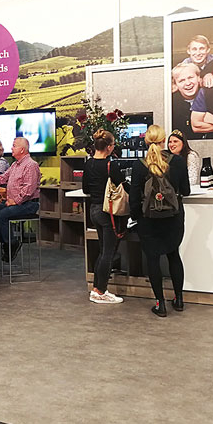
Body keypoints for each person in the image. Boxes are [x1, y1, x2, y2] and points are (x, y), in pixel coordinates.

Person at [129, 125, 191, 318]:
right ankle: (179, 300)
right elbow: (186, 191)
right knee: (174, 255)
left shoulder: (139, 165)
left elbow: (133, 198)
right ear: (164, 141)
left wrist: (136, 218)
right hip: (173, 219)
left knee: (153, 259)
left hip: (148, 220)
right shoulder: (178, 161)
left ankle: (160, 304)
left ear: (146, 141)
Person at [82, 130, 125, 304]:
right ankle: (101, 290)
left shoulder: (88, 164)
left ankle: (96, 289)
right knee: (109, 252)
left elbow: (85, 189)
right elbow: (122, 185)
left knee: (103, 250)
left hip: (94, 210)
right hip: (108, 212)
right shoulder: (110, 166)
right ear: (108, 147)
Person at [0, 137, 41, 262]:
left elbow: (28, 190)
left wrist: (15, 201)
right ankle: (5, 241)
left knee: (1, 215)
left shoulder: (31, 165)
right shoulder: (15, 164)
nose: (11, 148)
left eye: (14, 146)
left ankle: (11, 243)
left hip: (28, 204)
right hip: (14, 202)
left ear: (22, 149)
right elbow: (3, 178)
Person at [171, 63, 202, 139]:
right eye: (181, 81)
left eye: (190, 78)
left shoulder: (210, 97)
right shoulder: (171, 105)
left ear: (198, 78)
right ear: (175, 85)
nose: (188, 83)